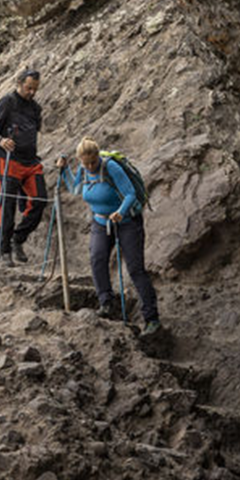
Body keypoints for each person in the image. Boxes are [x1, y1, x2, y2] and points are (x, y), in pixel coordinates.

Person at [57, 138, 160, 336]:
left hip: (127, 222)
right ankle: (106, 303)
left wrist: (120, 211)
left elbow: (129, 194)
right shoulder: (84, 169)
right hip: (100, 222)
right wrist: (64, 171)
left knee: (135, 269)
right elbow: (75, 189)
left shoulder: (110, 167)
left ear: (98, 157)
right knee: (97, 259)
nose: (89, 167)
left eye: (92, 162)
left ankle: (151, 318)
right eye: (85, 163)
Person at [0, 69, 46, 267]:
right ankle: (4, 251)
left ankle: (18, 239)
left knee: (40, 200)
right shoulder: (7, 102)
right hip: (8, 160)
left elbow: (35, 130)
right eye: (29, 88)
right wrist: (1, 141)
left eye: (35, 89)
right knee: (7, 205)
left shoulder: (36, 108)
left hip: (31, 162)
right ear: (19, 83)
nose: (32, 92)